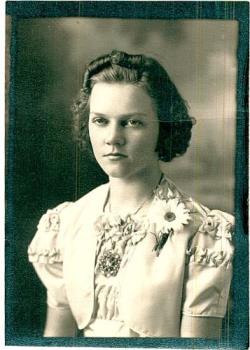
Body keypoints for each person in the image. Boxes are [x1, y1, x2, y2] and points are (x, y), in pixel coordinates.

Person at [28, 50, 234, 338]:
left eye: (132, 122)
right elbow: (56, 339)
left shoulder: (201, 233)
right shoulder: (66, 223)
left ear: (164, 127)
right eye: (100, 120)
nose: (112, 137)